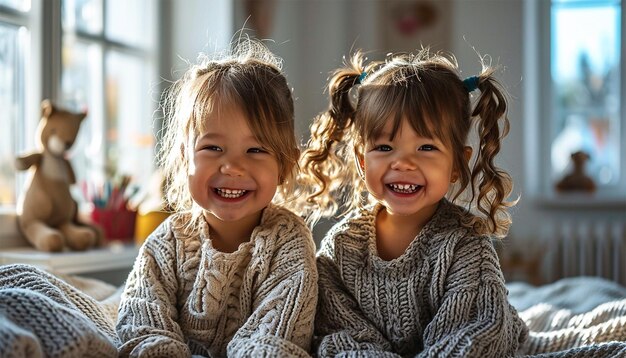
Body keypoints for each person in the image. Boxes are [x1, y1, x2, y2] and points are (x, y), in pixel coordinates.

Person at [299, 49, 529, 357]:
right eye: (384, 147)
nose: (403, 163)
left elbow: (473, 339)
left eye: (426, 147)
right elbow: (337, 335)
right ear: (362, 161)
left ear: (457, 165)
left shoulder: (465, 245)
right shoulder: (341, 248)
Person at [116, 39, 318, 357]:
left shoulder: (288, 242)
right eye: (213, 148)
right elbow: (142, 326)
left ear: (285, 164)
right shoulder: (166, 243)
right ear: (185, 158)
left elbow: (277, 338)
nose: (233, 166)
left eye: (256, 150)